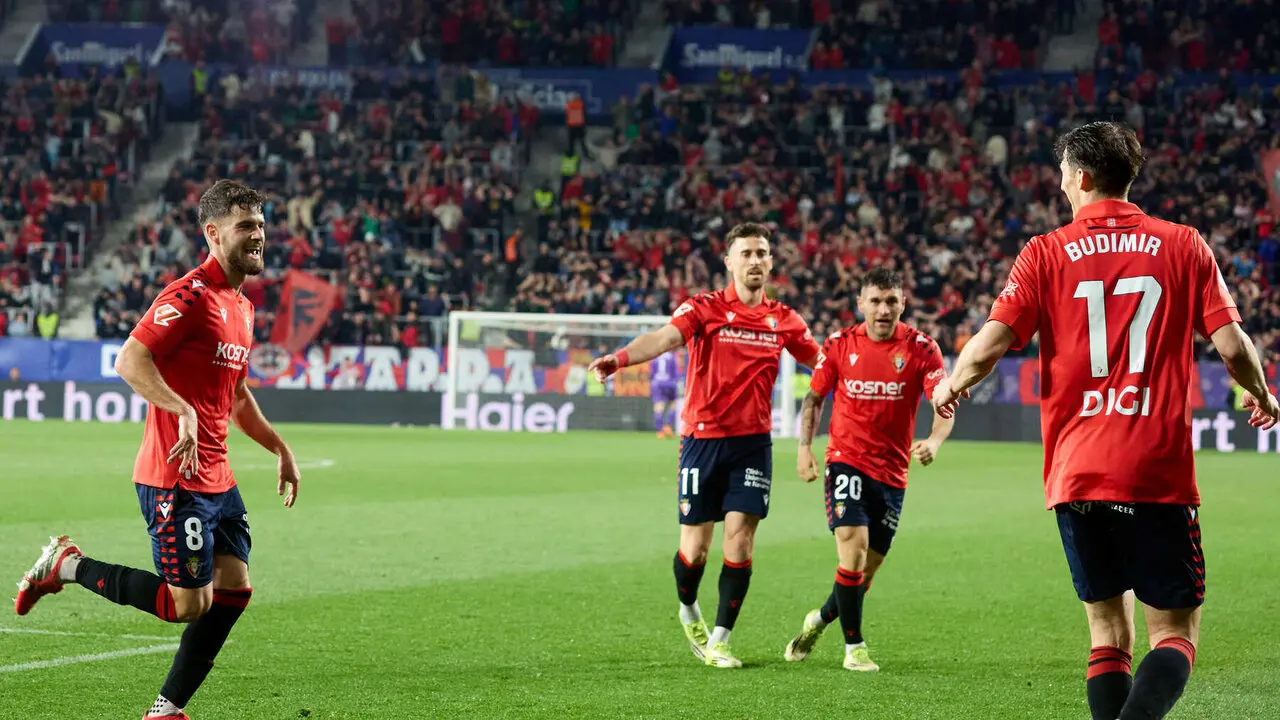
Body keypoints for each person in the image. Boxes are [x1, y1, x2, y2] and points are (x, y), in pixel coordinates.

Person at [932, 121, 1280, 720]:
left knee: (1105, 632)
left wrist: (952, 382)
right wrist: (1263, 394)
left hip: (1076, 473)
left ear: (1084, 176)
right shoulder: (1183, 244)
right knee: (1174, 633)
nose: (1061, 182)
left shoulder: (1044, 251)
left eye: (1064, 171)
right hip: (1155, 470)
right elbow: (1231, 343)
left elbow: (988, 346)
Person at [14, 180, 302, 720]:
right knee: (187, 604)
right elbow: (130, 361)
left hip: (217, 476)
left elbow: (237, 395)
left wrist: (278, 447)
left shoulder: (240, 306)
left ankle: (166, 709)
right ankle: (68, 565)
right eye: (246, 226)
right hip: (174, 476)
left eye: (261, 224)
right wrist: (183, 410)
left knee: (234, 587)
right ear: (213, 234)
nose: (258, 235)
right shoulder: (187, 296)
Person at [588, 222, 821, 668]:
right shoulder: (704, 308)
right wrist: (619, 359)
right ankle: (688, 608)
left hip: (753, 444)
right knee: (695, 550)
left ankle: (719, 640)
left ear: (771, 262)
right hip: (702, 440)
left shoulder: (785, 320)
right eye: (747, 253)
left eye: (762, 253)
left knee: (742, 541)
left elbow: (823, 366)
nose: (755, 260)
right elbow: (663, 338)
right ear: (729, 261)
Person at [783, 267, 954, 672]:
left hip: (892, 473)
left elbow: (944, 402)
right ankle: (854, 648)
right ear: (860, 303)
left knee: (865, 568)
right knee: (852, 545)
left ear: (902, 304)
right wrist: (804, 449)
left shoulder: (922, 348)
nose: (882, 309)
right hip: (846, 460)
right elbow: (813, 400)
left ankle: (820, 619)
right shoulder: (840, 345)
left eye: (891, 301)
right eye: (875, 301)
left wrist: (933, 441)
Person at [650, 350, 681, 438]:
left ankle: (660, 431)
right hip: (670, 383)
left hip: (657, 383)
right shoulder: (672, 356)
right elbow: (676, 372)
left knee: (658, 407)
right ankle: (668, 426)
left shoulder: (655, 356)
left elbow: (652, 373)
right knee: (673, 404)